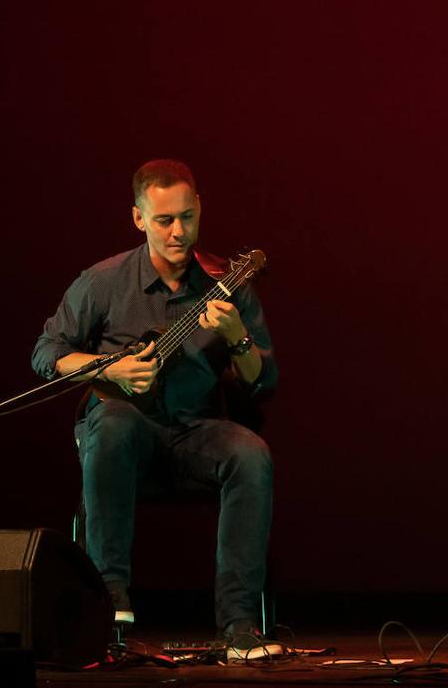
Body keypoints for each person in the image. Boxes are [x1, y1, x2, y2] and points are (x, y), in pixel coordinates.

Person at [32, 159, 277, 650]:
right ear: (139, 218)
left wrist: (237, 337)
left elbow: (261, 384)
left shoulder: (228, 283)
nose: (178, 231)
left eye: (187, 217)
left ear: (200, 208)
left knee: (251, 454)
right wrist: (108, 368)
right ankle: (110, 599)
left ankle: (239, 624)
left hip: (195, 430)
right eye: (164, 220)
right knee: (116, 420)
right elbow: (46, 352)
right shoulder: (103, 281)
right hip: (124, 435)